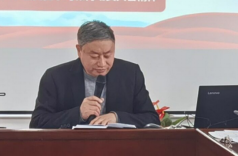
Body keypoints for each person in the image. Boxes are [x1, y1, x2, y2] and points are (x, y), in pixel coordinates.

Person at [29, 20, 160, 129]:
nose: (102, 63)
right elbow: (38, 122)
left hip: (119, 148)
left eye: (107, 55)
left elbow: (151, 119)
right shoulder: (55, 77)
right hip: (72, 148)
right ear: (79, 50)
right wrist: (78, 113)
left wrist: (117, 117)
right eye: (94, 56)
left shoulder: (130, 73)